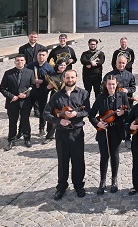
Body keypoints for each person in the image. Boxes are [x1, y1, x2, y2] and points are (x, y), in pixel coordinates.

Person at [44, 69, 90, 199]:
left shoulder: (83, 93)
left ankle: (79, 185)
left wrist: (77, 114)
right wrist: (59, 120)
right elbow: (46, 113)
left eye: (72, 78)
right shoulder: (56, 95)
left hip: (77, 132)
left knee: (78, 160)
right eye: (67, 78)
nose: (70, 80)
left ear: (77, 78)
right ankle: (62, 186)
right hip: (62, 133)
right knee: (63, 160)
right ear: (64, 79)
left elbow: (87, 111)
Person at [89, 75, 130, 195]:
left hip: (116, 130)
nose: (111, 86)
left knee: (115, 155)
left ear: (117, 84)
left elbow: (129, 112)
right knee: (104, 156)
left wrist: (123, 112)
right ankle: (102, 181)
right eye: (109, 84)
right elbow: (91, 115)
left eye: (113, 84)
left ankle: (114, 179)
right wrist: (98, 124)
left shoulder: (122, 96)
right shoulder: (101, 97)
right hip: (104, 130)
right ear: (105, 85)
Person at [0, 54, 36, 150]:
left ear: (24, 61)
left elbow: (33, 86)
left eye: (21, 60)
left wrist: (26, 95)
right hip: (12, 102)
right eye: (17, 60)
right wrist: (12, 96)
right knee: (12, 122)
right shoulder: (8, 73)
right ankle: (11, 140)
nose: (19, 62)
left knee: (25, 121)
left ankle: (27, 138)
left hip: (25, 102)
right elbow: (2, 88)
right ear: (15, 62)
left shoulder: (30, 72)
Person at [27, 49, 55, 137]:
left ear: (46, 56)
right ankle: (25, 130)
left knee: (42, 111)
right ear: (37, 56)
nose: (41, 57)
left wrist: (42, 82)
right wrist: (33, 81)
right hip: (31, 92)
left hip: (42, 92)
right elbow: (25, 77)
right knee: (26, 111)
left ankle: (41, 128)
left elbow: (52, 82)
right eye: (39, 55)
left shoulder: (49, 68)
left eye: (43, 55)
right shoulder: (31, 66)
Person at [44, 59, 68, 141]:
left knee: (65, 115)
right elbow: (45, 90)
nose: (63, 67)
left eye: (64, 65)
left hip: (65, 97)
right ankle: (49, 135)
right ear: (57, 66)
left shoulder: (67, 74)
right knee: (52, 115)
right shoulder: (52, 75)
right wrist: (48, 88)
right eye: (61, 65)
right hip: (54, 97)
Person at [80, 38, 105, 104]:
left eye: (94, 44)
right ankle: (86, 107)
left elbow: (101, 61)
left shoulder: (100, 53)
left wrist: (93, 64)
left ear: (96, 45)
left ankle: (98, 107)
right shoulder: (85, 53)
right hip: (87, 77)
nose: (92, 46)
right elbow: (82, 60)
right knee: (87, 93)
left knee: (98, 93)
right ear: (88, 44)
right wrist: (90, 62)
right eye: (91, 44)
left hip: (97, 76)